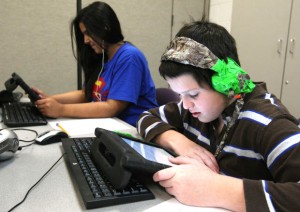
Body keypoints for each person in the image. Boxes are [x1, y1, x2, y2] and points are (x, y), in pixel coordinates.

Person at [136, 20, 300, 211]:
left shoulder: (268, 122)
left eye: (193, 94)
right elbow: (146, 117)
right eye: (180, 94)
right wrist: (178, 141)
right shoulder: (193, 110)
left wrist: (217, 189)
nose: (186, 104)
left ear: (226, 82)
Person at [34, 1, 158, 126]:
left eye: (88, 33)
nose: (86, 40)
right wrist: (49, 100)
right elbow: (87, 94)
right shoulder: (104, 56)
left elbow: (112, 108)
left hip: (134, 131)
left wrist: (60, 109)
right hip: (111, 127)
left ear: (105, 28)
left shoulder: (129, 57)